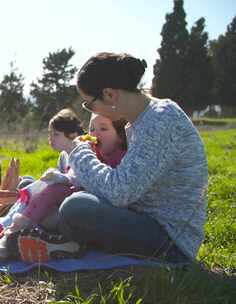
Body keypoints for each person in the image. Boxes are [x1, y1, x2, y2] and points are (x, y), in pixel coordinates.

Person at [22, 52, 208, 263]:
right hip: (143, 219)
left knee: (76, 208)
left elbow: (120, 192)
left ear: (109, 95)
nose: (89, 111)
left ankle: (56, 237)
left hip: (171, 241)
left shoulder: (160, 120)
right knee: (36, 187)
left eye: (89, 105)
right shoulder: (140, 122)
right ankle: (55, 237)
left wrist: (79, 152)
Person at [0, 112, 128, 261]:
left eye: (103, 129)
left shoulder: (123, 158)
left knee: (56, 192)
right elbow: (75, 175)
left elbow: (109, 188)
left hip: (96, 209)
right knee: (34, 189)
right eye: (92, 129)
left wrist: (63, 179)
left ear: (119, 135)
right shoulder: (91, 152)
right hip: (75, 204)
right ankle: (29, 238)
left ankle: (20, 234)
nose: (95, 134)